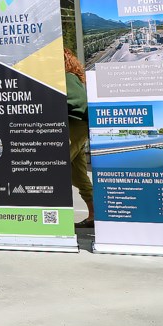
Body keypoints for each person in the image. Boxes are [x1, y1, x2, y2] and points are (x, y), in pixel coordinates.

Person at [65, 47, 94, 228]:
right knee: (77, 173)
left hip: (74, 125)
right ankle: (94, 214)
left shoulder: (65, 77)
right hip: (79, 125)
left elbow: (79, 102)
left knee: (54, 167)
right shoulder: (72, 76)